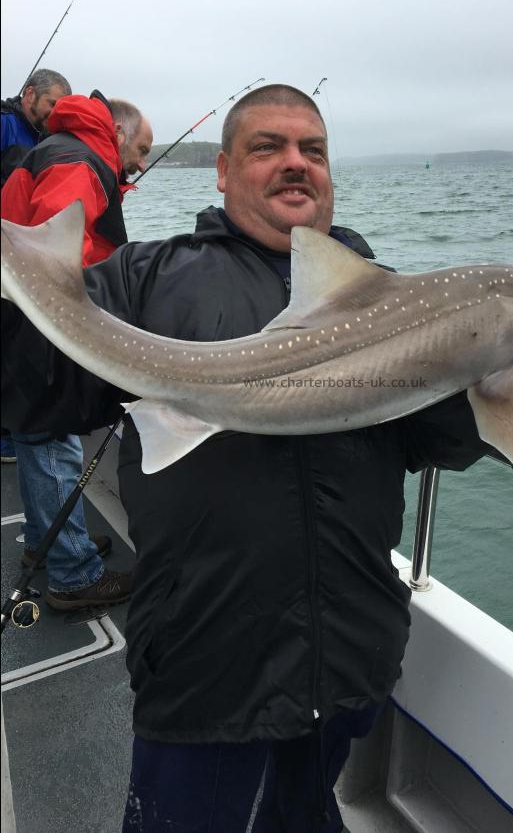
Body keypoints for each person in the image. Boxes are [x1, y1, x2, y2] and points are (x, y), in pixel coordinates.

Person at [1, 84, 486, 832]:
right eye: (268, 147)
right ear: (222, 171)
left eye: (313, 150)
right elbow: (37, 397)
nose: (295, 164)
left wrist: (482, 375)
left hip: (349, 655)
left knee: (304, 817)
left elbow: (439, 449)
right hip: (206, 667)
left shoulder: (391, 300)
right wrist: (19, 292)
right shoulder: (145, 279)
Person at [2, 90, 153, 610]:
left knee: (33, 434)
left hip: (19, 315)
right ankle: (73, 573)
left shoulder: (66, 149)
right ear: (118, 135)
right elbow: (49, 251)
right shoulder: (79, 159)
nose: (142, 162)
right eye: (142, 149)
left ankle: (50, 543)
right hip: (36, 321)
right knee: (51, 434)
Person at [1, 68, 72, 461]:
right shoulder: (6, 125)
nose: (54, 114)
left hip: (20, 261)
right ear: (28, 94)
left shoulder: (46, 140)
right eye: (50, 105)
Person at [1, 67, 72, 186]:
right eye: (52, 104)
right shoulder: (4, 123)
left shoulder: (54, 139)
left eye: (62, 107)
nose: (57, 112)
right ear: (30, 94)